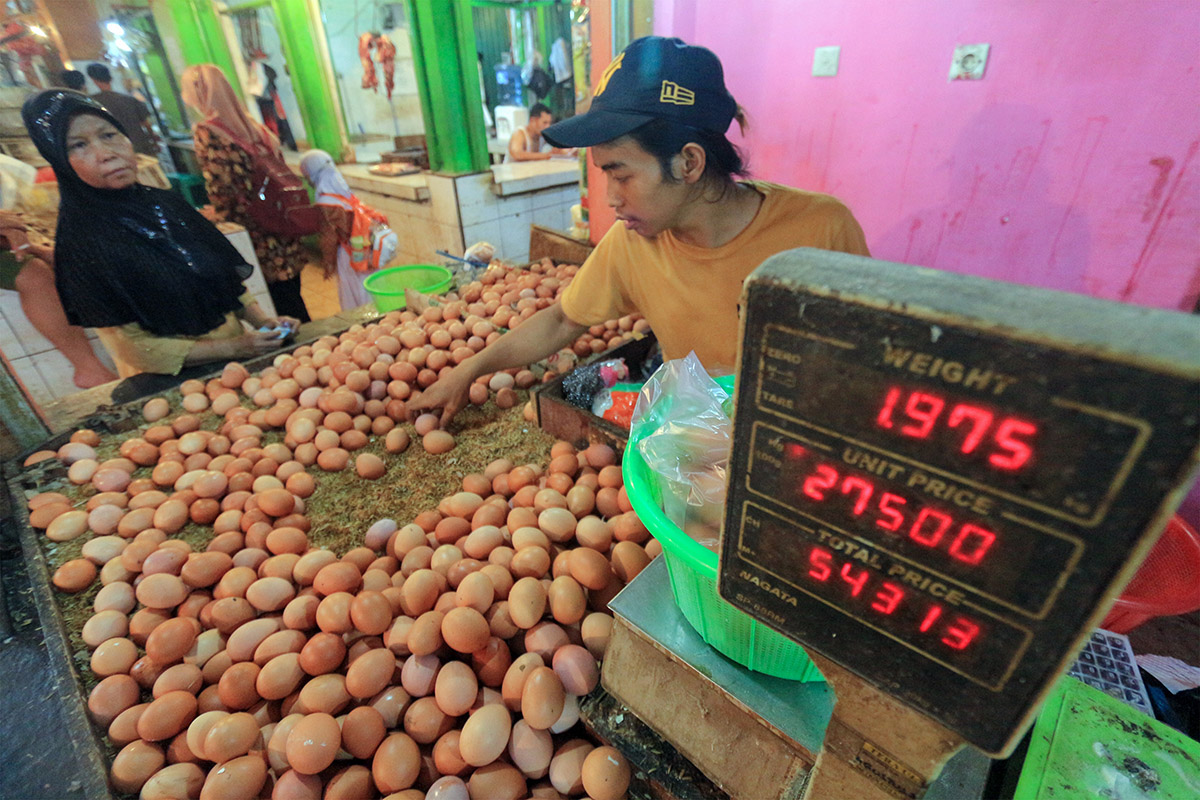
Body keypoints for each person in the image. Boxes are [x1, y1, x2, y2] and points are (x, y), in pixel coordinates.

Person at [411, 36, 869, 427]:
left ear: (689, 162)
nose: (610, 197)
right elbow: (562, 319)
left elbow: (867, 357)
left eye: (621, 174)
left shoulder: (820, 231)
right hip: (697, 437)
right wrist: (470, 369)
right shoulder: (634, 243)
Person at [19, 89, 296, 377]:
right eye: (78, 145)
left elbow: (225, 284)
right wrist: (235, 347)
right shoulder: (82, 240)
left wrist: (264, 323)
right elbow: (132, 348)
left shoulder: (168, 204)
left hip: (239, 364)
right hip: (173, 380)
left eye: (109, 135)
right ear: (59, 161)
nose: (106, 154)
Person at [181, 64, 311, 323]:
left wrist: (216, 214)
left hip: (256, 234)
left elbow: (221, 186)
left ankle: (304, 352)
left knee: (278, 306)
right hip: (282, 225)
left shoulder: (209, 131)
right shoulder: (255, 128)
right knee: (293, 298)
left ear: (196, 93)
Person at [299, 149, 373, 311]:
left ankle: (363, 321)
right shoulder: (343, 191)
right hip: (363, 247)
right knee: (368, 286)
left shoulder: (326, 201)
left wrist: (329, 263)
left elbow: (329, 237)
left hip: (348, 254)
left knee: (354, 293)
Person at [85, 63, 158, 156]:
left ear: (93, 80)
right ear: (110, 78)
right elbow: (147, 124)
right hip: (142, 148)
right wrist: (153, 139)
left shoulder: (93, 104)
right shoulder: (130, 99)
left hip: (116, 152)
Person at [505, 102, 575, 163]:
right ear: (533, 121)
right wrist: (546, 156)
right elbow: (517, 154)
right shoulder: (519, 133)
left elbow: (558, 149)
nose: (548, 126)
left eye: (549, 123)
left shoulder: (542, 136)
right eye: (544, 123)